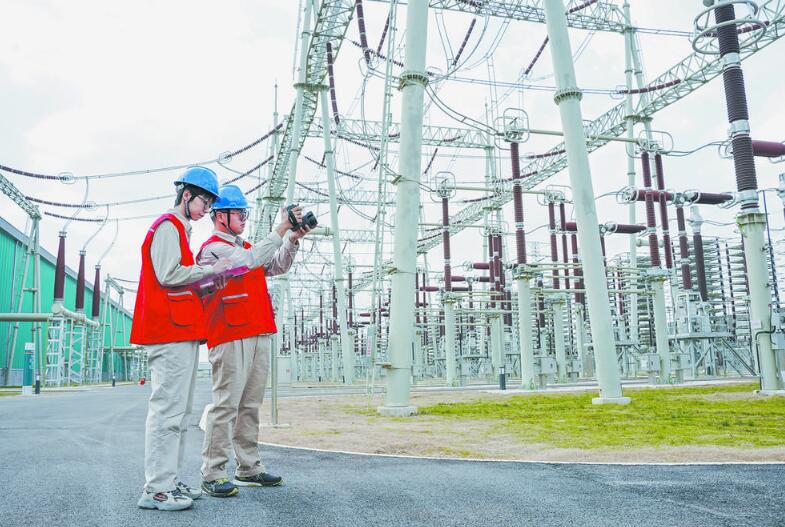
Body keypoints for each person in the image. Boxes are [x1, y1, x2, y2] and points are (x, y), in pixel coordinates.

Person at [131, 166, 233, 511]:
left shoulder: (180, 229)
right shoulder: (167, 226)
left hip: (181, 330)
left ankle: (168, 481)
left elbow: (180, 279)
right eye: (205, 200)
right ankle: (157, 490)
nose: (207, 208)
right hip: (168, 330)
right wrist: (211, 270)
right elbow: (168, 274)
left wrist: (207, 281)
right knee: (167, 412)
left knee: (180, 412)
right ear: (186, 194)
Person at [197, 184, 310, 498]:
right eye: (239, 213)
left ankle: (248, 467)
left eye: (246, 213)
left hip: (257, 330)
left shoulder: (246, 246)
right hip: (230, 333)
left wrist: (291, 240)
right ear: (220, 216)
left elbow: (278, 266)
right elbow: (245, 262)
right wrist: (279, 229)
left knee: (249, 405)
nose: (245, 218)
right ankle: (213, 472)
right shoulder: (213, 249)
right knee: (226, 405)